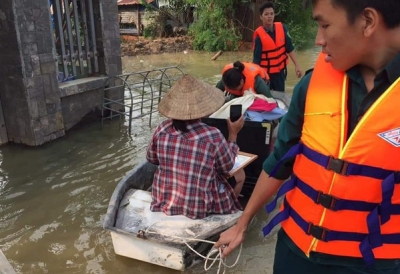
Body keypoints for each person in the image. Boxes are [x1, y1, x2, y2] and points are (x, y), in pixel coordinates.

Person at [215, 0, 400, 273]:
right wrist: (242, 225)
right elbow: (279, 161)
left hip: (377, 263)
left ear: (368, 22)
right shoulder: (312, 85)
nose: (319, 40)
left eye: (325, 25)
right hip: (297, 252)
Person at [146, 74, 246, 220]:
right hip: (199, 208)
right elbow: (227, 166)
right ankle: (231, 212)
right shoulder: (212, 136)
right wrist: (233, 134)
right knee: (241, 176)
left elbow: (151, 158)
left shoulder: (161, 129)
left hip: (163, 200)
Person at [253, 2, 303, 92]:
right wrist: (255, 77)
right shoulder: (259, 37)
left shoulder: (283, 29)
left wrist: (297, 66)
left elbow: (290, 48)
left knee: (280, 96)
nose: (270, 16)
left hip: (280, 73)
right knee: (267, 99)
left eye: (272, 14)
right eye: (266, 14)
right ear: (261, 17)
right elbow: (256, 61)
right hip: (265, 75)